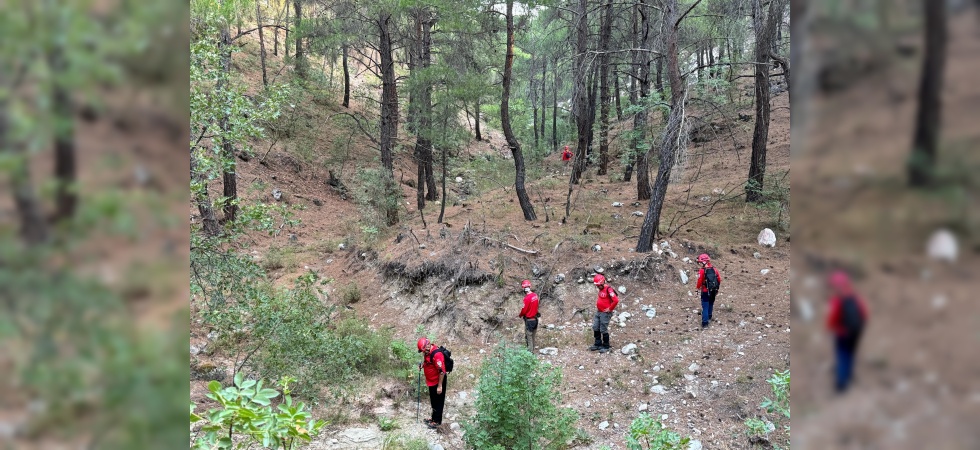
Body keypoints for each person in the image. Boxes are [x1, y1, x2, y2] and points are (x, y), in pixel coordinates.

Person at [825, 270, 868, 393]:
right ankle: (849, 375)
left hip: (842, 333)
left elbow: (833, 318)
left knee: (842, 355)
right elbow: (864, 314)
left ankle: (841, 384)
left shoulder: (837, 300)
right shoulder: (855, 297)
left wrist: (831, 328)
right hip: (856, 331)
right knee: (850, 354)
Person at [417, 337, 447, 428]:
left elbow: (441, 371)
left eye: (423, 350)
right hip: (431, 381)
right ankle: (433, 419)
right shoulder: (427, 352)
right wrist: (423, 365)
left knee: (438, 401)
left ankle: (437, 421)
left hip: (438, 381)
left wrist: (440, 386)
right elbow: (428, 362)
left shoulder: (437, 354)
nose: (423, 352)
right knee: (433, 401)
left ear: (427, 346)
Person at [588, 274, 619, 353]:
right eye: (597, 286)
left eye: (599, 286)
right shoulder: (600, 288)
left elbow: (615, 300)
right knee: (595, 327)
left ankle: (606, 345)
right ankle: (597, 344)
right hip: (599, 311)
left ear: (602, 283)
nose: (598, 287)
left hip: (605, 313)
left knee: (603, 329)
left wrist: (610, 309)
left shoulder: (609, 289)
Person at [695, 254, 723, 328]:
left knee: (705, 306)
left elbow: (699, 281)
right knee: (711, 303)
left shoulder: (702, 271)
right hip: (713, 290)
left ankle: (705, 323)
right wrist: (717, 289)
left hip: (705, 291)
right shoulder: (715, 269)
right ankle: (709, 316)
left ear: (704, 262)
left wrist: (697, 288)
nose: (700, 264)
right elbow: (719, 279)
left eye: (700, 262)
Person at [518, 279, 540, 352]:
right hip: (535, 319)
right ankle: (532, 351)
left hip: (529, 320)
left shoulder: (527, 298)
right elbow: (536, 307)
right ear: (529, 287)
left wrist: (520, 315)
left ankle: (530, 354)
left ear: (524, 288)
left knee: (529, 338)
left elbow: (524, 310)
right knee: (533, 337)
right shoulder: (535, 296)